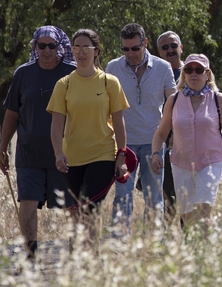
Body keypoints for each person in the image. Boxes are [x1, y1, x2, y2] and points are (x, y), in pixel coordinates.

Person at [0, 26, 76, 261]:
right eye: (42, 46)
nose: (47, 51)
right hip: (29, 153)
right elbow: (12, 114)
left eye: (52, 46)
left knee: (71, 206)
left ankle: (76, 254)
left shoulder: (72, 72)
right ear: (35, 47)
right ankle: (31, 255)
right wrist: (3, 149)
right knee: (28, 204)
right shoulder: (23, 73)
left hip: (64, 153)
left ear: (59, 47)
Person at [47, 29, 130, 243]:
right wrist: (58, 153)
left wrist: (121, 156)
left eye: (86, 47)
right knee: (74, 211)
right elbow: (56, 125)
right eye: (76, 48)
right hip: (72, 157)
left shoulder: (109, 82)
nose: (81, 52)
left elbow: (119, 122)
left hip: (102, 154)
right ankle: (76, 256)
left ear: (96, 51)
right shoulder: (63, 84)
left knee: (90, 207)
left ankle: (92, 259)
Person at [150, 54, 222, 228]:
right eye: (189, 69)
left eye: (199, 69)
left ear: (207, 74)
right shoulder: (174, 100)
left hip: (210, 163)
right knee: (187, 218)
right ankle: (194, 251)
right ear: (184, 74)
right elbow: (161, 133)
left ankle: (205, 252)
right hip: (181, 163)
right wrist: (156, 153)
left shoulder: (218, 99)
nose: (194, 73)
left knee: (203, 211)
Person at [105, 23, 176, 231]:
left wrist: (172, 135)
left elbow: (172, 105)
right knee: (122, 195)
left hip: (154, 143)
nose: (130, 53)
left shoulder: (163, 68)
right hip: (124, 144)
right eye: (125, 49)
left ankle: (154, 245)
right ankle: (119, 243)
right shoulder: (113, 67)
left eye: (135, 48)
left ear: (145, 44)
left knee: (154, 196)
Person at [156, 30, 184, 217]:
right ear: (159, 52)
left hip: (188, 140)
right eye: (165, 47)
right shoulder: (155, 73)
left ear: (181, 47)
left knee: (186, 193)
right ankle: (166, 240)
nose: (170, 49)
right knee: (166, 195)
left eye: (173, 45)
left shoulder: (193, 70)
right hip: (163, 140)